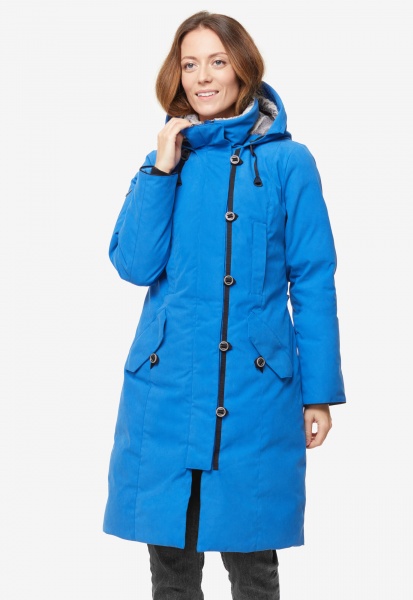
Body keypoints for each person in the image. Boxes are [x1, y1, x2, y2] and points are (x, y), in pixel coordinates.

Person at [103, 10, 346, 600]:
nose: (203, 77)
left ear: (243, 68)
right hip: (167, 384)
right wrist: (160, 168)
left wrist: (317, 392)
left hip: (254, 389)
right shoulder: (167, 160)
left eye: (217, 61)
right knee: (171, 563)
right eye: (190, 64)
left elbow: (312, 280)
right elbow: (134, 265)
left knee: (252, 561)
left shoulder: (289, 162)